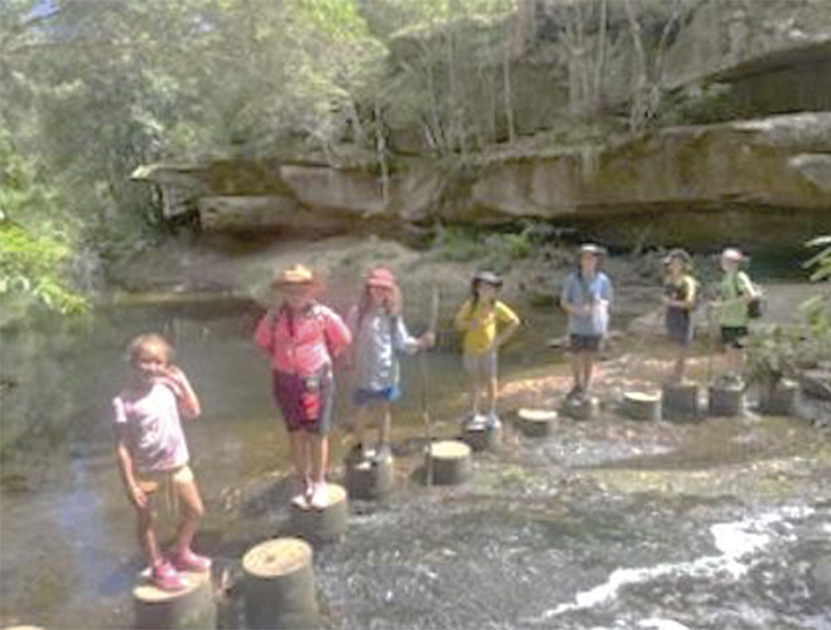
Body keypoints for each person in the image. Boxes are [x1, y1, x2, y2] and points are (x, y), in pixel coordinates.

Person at [114, 333, 209, 592]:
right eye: (145, 361)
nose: (152, 368)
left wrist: (182, 382)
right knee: (148, 520)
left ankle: (181, 551)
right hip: (146, 472)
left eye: (159, 362)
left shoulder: (167, 388)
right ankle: (157, 565)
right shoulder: (124, 402)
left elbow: (193, 411)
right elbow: (122, 448)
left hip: (178, 464)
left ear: (166, 365)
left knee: (195, 510)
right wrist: (130, 484)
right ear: (133, 363)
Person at [254, 264, 351, 509]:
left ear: (310, 291)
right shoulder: (275, 316)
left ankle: (319, 482)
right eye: (290, 289)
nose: (296, 294)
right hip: (285, 380)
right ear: (283, 292)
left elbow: (344, 338)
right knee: (295, 433)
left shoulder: (322, 315)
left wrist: (325, 357)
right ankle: (302, 481)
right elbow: (261, 341)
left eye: (301, 289)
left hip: (315, 380)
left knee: (317, 433)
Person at [346, 268, 435, 462]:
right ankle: (358, 446)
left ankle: (383, 445)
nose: (379, 292)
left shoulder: (392, 316)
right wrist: (349, 364)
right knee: (361, 410)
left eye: (384, 289)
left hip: (386, 372)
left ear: (390, 292)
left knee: (383, 410)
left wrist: (420, 343)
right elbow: (348, 340)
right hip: (363, 372)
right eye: (375, 287)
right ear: (368, 289)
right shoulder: (357, 313)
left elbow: (403, 342)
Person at [454, 271, 520, 428]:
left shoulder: (496, 306)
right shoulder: (470, 305)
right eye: (482, 287)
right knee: (473, 381)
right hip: (470, 349)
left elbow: (514, 322)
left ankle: (491, 413)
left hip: (489, 351)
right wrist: (469, 325)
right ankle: (473, 412)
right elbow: (457, 324)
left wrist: (498, 342)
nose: (485, 291)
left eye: (490, 288)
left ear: (495, 291)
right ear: (476, 289)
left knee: (491, 381)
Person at [560, 244, 614, 402]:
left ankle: (587, 385)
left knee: (590, 357)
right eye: (585, 257)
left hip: (595, 326)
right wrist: (576, 310)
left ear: (597, 260)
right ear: (580, 260)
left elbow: (608, 301)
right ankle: (577, 384)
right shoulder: (572, 279)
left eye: (592, 257)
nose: (589, 260)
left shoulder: (603, 280)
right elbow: (563, 302)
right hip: (576, 326)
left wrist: (598, 304)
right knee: (576, 356)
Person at [710, 247, 757, 385]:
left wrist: (726, 305)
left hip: (739, 320)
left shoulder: (740, 277)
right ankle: (732, 374)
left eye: (727, 260)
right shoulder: (726, 277)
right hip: (726, 320)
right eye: (723, 259)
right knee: (729, 348)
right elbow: (725, 296)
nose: (723, 263)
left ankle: (739, 376)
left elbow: (750, 295)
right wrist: (718, 306)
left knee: (739, 349)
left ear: (736, 263)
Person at [662, 248, 697, 384]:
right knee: (673, 346)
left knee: (682, 348)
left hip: (684, 317)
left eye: (678, 263)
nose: (674, 266)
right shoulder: (668, 280)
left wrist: (671, 302)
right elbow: (665, 297)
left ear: (684, 265)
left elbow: (690, 303)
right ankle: (674, 375)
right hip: (671, 316)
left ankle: (680, 376)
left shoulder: (689, 281)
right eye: (672, 263)